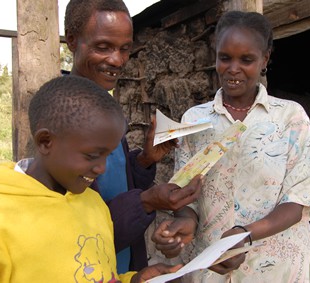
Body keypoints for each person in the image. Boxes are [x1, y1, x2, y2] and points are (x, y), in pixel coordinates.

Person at [151, 11, 310, 282]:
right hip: (213, 267)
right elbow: (187, 196)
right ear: (216, 57)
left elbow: (299, 201)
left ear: (265, 59)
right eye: (225, 58)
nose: (233, 68)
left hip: (281, 267)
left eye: (246, 60)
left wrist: (245, 233)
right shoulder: (195, 121)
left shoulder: (290, 118)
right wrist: (185, 221)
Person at [0, 75, 183, 283]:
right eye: (92, 156)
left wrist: (136, 280)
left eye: (108, 154)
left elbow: (96, 275)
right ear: (45, 142)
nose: (101, 168)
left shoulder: (92, 203)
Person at [64, 0, 203, 273]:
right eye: (103, 47)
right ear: (72, 41)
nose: (117, 60)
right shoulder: (63, 116)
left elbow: (113, 179)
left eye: (125, 49)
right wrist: (147, 200)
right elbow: (79, 225)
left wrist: (143, 161)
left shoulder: (103, 105)